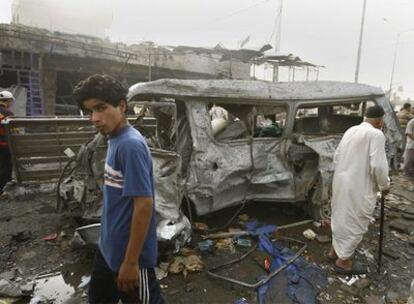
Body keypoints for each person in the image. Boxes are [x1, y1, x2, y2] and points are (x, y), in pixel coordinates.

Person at [73, 74, 164, 304]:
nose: (94, 118)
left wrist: (131, 262)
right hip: (108, 249)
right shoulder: (113, 138)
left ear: (122, 106)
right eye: (89, 111)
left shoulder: (130, 145)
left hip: (129, 256)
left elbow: (144, 205)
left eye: (101, 108)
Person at [328, 105, 390, 275]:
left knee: (341, 216)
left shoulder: (351, 130)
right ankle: (343, 261)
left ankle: (335, 251)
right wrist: (384, 185)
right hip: (358, 187)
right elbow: (378, 165)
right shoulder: (376, 134)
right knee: (355, 222)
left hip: (341, 183)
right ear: (380, 120)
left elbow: (337, 156)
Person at [0, 91, 15, 197]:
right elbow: (14, 131)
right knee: (5, 166)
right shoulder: (8, 114)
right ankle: (3, 189)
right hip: (4, 145)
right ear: (8, 101)